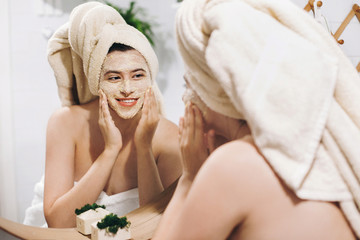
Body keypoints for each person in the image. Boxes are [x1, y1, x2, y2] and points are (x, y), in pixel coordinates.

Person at [153, 0, 360, 239]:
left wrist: (189, 179)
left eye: (189, 84)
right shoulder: (326, 152)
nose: (185, 98)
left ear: (218, 90)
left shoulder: (235, 164)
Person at [24, 2, 182, 228]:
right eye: (114, 77)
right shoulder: (65, 123)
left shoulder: (167, 135)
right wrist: (110, 151)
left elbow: (159, 226)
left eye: (137, 75)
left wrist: (144, 147)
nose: (127, 88)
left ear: (150, 78)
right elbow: (58, 223)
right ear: (97, 81)